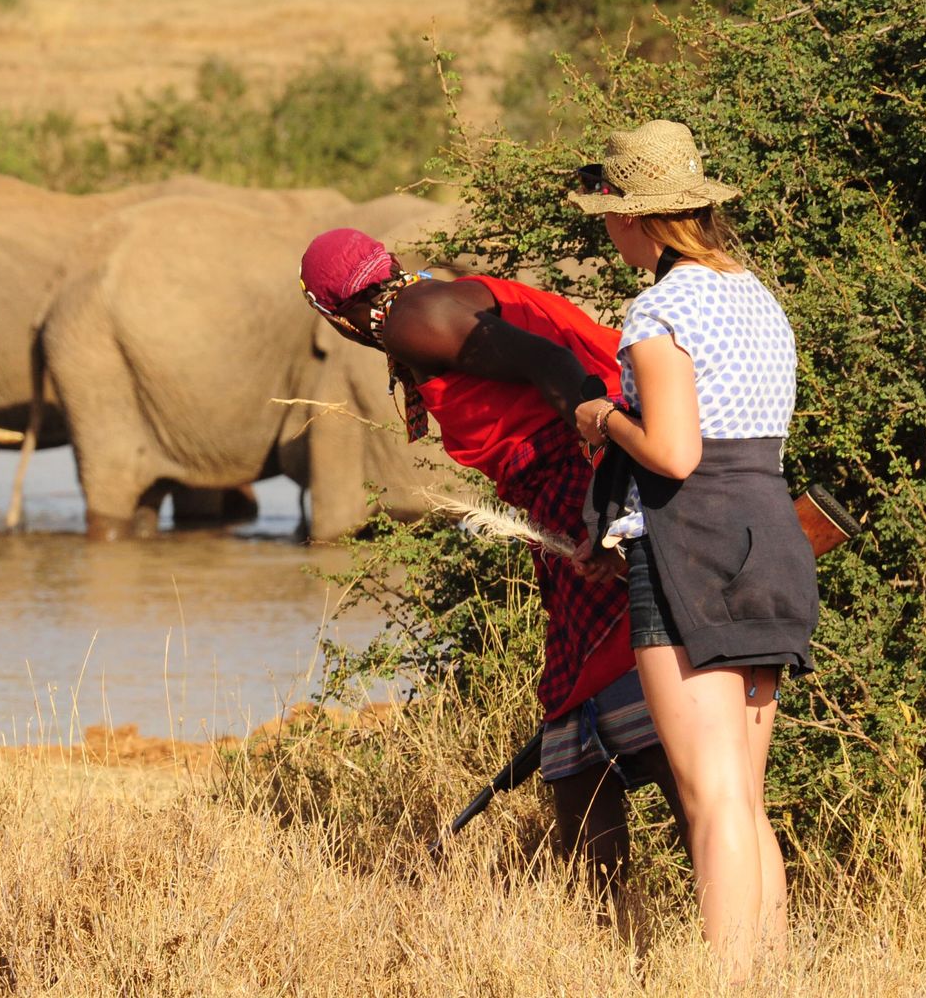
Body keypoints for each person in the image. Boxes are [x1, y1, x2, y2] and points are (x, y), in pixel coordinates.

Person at [297, 226, 687, 927]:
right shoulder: (420, 312)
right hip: (569, 491)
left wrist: (599, 503)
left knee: (611, 686)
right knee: (573, 707)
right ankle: (605, 925)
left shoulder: (413, 320)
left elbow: (551, 364)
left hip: (578, 487)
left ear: (330, 313)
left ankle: (714, 895)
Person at [567, 119, 819, 979]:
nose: (609, 230)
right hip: (770, 533)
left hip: (691, 543)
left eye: (610, 215)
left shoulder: (659, 310)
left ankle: (724, 983)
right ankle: (767, 978)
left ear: (639, 221)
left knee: (709, 800)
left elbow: (674, 453)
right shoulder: (756, 295)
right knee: (744, 798)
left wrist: (603, 418)